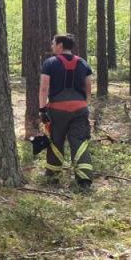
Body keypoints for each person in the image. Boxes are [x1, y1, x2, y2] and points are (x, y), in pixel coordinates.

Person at [39, 33, 93, 190]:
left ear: (60, 45)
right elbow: (88, 89)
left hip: (57, 110)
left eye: (53, 43)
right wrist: (85, 106)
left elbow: (44, 88)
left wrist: (42, 110)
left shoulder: (49, 63)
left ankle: (53, 177)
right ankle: (84, 181)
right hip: (80, 109)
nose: (51, 46)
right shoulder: (84, 63)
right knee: (80, 142)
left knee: (55, 142)